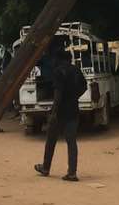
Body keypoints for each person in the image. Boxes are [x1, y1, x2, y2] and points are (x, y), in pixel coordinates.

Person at [35, 50, 87, 182]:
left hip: (60, 111)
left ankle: (46, 167)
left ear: (60, 59)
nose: (53, 61)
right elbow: (84, 87)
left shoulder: (58, 72)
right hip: (73, 109)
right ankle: (72, 173)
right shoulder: (76, 70)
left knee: (51, 139)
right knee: (71, 141)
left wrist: (53, 112)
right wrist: (74, 97)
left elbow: (58, 94)